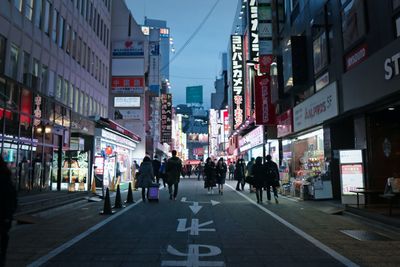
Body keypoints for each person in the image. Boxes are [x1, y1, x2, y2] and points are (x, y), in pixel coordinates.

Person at [0, 156, 18, 266]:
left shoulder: (4, 179)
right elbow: (12, 198)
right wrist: (9, 215)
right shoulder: (6, 178)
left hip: (3, 215)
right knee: (3, 239)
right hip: (4, 217)